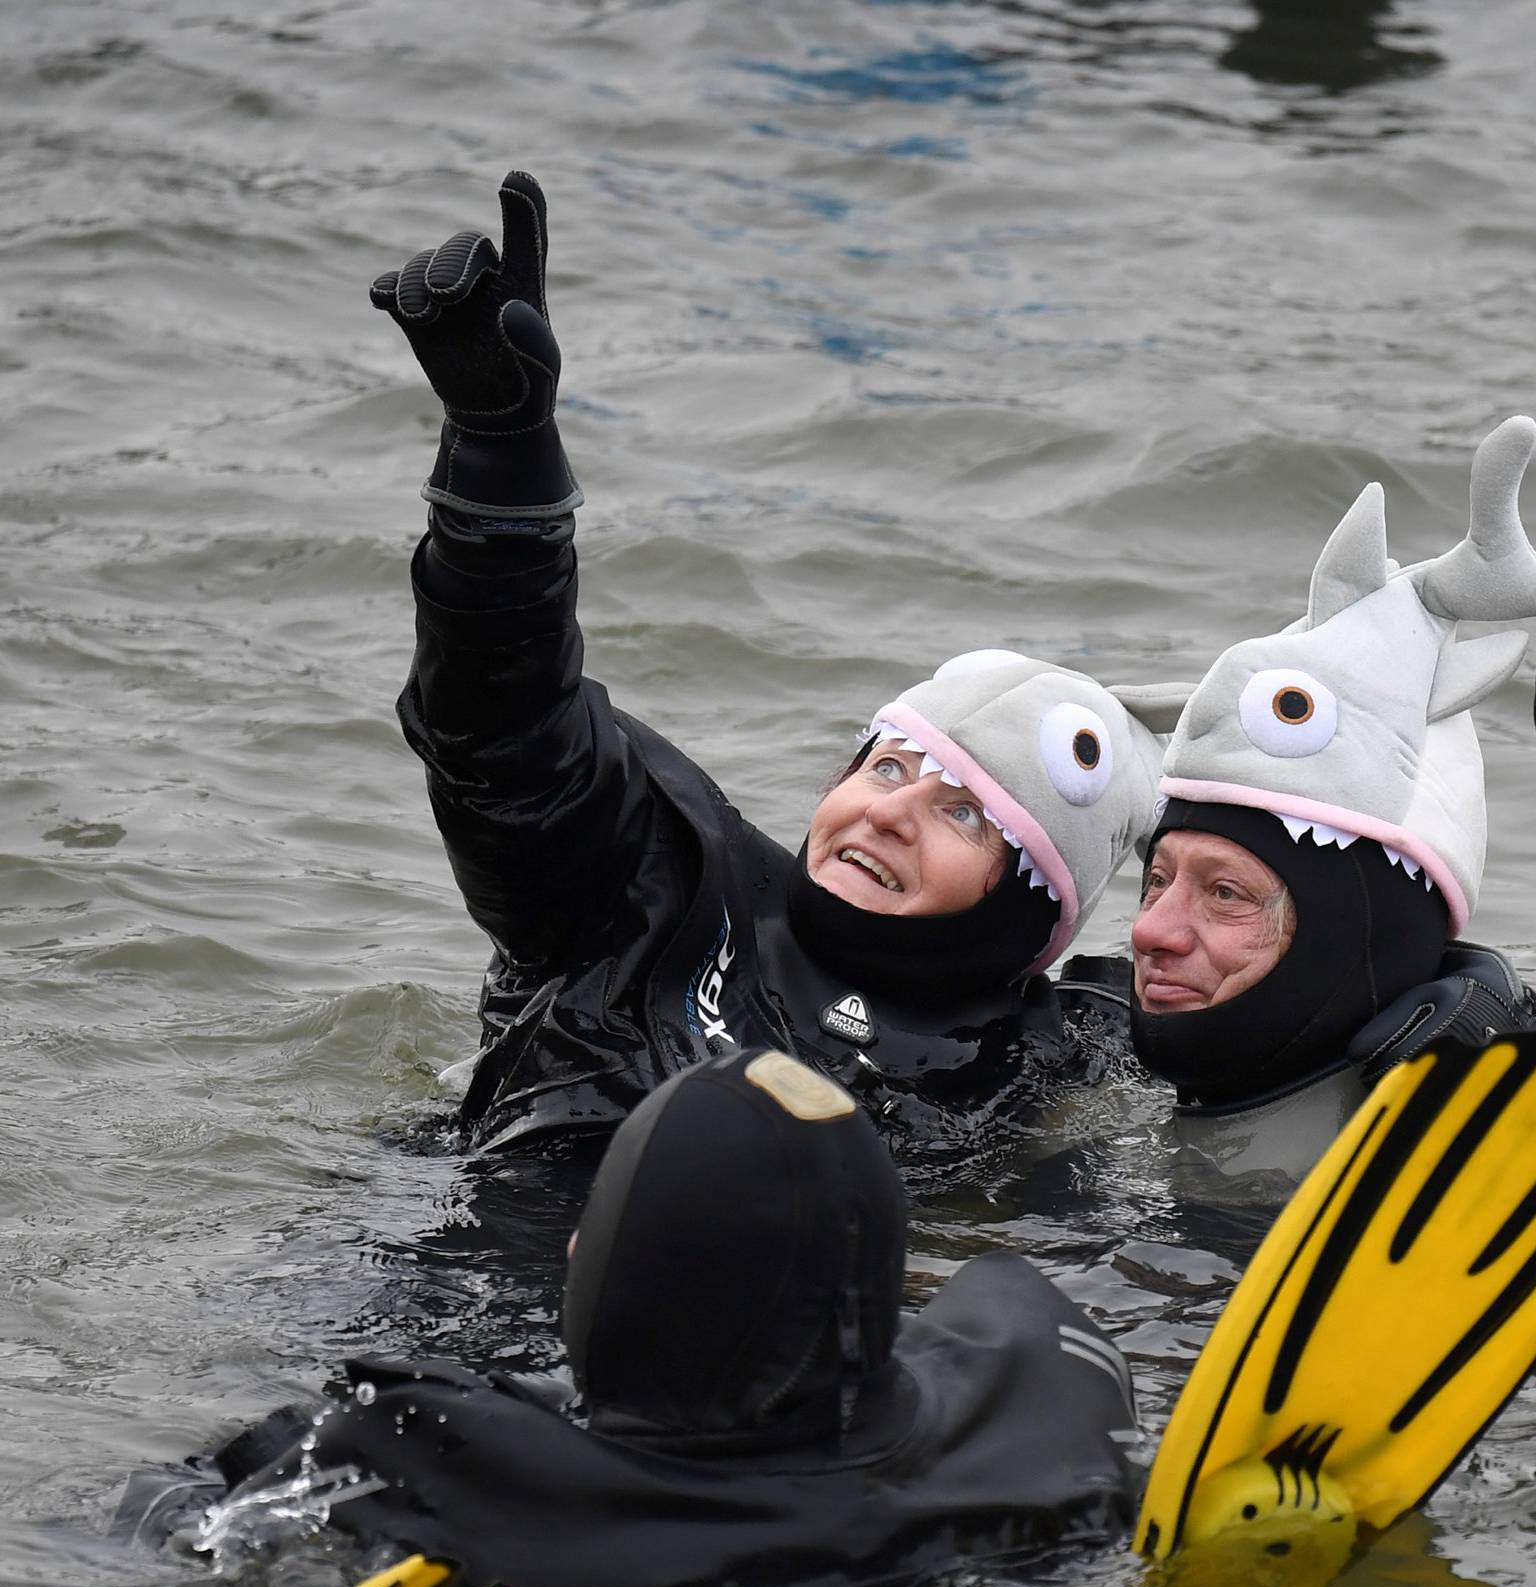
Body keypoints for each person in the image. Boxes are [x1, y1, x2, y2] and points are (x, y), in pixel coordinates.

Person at [371, 171, 1169, 1153]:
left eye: (962, 810)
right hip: (474, 1275)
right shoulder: (656, 881)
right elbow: (502, 738)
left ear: (1032, 904)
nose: (889, 811)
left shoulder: (1055, 1060)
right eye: (886, 768)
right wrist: (502, 470)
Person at [121, 1048, 1144, 1587]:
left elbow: (170, 1522)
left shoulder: (444, 1477)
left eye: (601, 1223)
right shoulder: (1047, 1381)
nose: (573, 1244)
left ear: (621, 1273)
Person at [1108, 418, 1536, 1286]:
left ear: (1354, 929)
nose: (1153, 932)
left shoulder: (1460, 1133)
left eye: (1226, 895)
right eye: (1157, 880)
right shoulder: (1094, 1058)